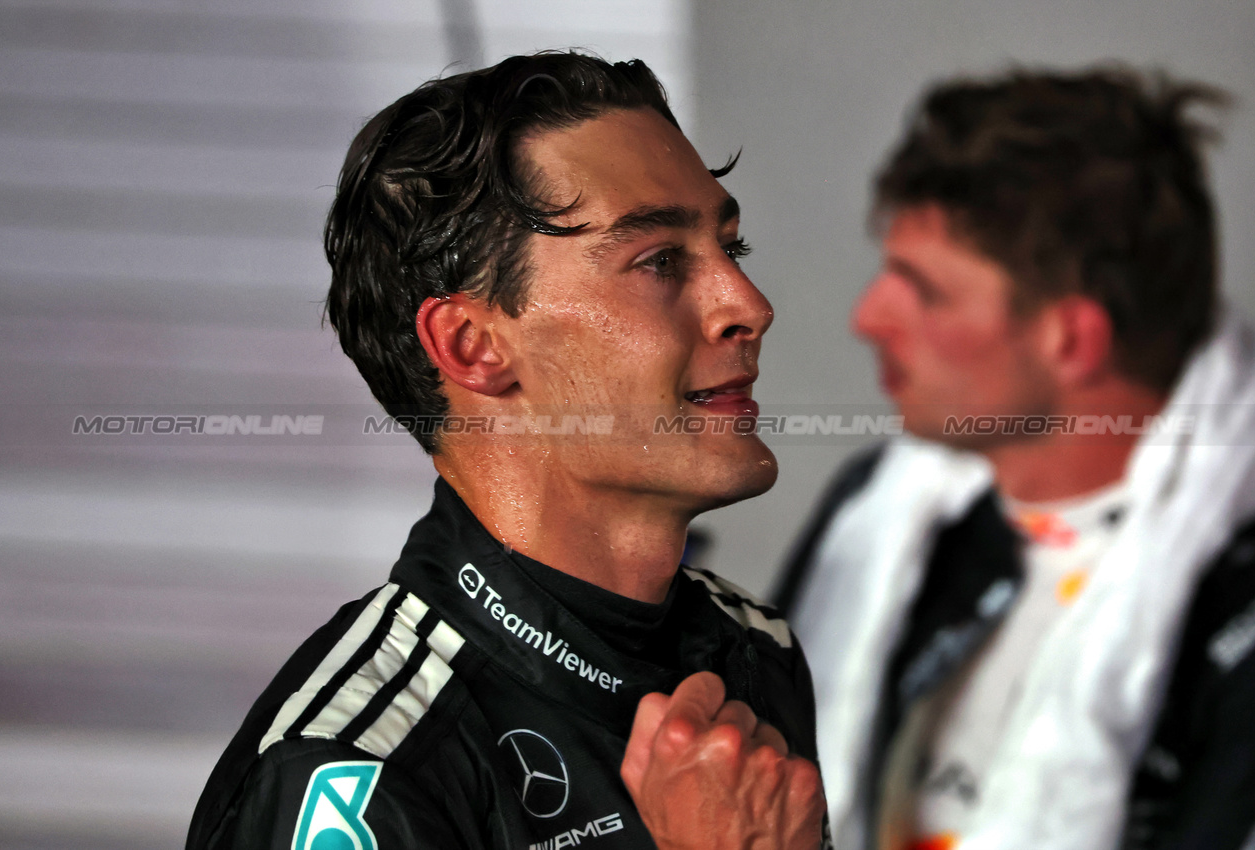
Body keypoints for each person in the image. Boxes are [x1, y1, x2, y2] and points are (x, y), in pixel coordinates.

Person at [187, 52, 825, 850]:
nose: (748, 305)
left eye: (734, 249)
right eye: (660, 261)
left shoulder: (756, 649)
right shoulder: (351, 768)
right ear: (471, 345)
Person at [775, 67, 1255, 850]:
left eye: (922, 290)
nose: (867, 317)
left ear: (1071, 338)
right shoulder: (878, 506)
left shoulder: (1246, 614)